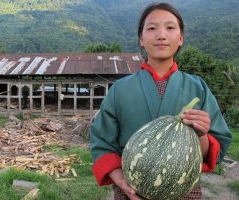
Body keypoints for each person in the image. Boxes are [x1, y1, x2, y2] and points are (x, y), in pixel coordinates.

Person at [90, 2, 232, 200]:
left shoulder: (197, 87)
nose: (161, 35)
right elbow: (101, 143)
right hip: (129, 192)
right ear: (141, 38)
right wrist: (122, 181)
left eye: (170, 27)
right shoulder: (120, 90)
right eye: (151, 28)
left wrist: (201, 134)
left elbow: (212, 152)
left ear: (181, 38)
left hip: (184, 193)